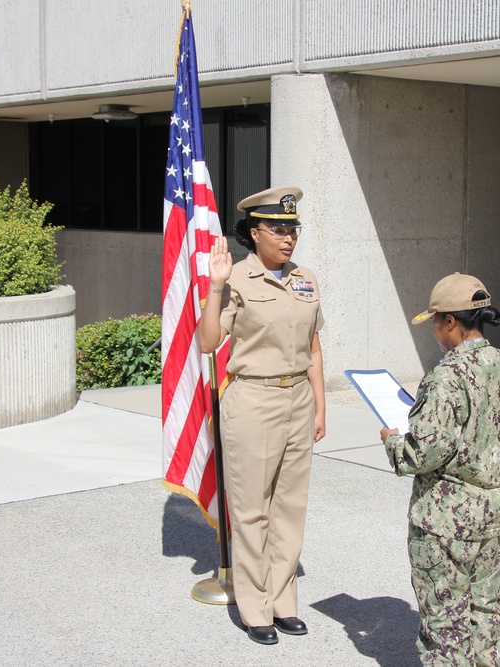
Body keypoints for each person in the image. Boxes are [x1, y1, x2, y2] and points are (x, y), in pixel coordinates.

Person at [380, 272, 500, 666]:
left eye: (436, 322)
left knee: (445, 625)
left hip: (446, 522)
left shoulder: (447, 376)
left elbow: (422, 453)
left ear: (451, 322)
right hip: (494, 514)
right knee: (486, 615)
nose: (434, 331)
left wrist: (392, 440)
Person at [198, 185, 326, 646]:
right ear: (254, 233)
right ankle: (254, 608)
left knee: (290, 507)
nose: (289, 238)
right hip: (252, 402)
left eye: (293, 229)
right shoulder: (236, 280)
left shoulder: (306, 278)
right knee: (252, 509)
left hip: (297, 400)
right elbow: (208, 343)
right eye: (278, 229)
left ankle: (283, 601)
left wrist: (320, 405)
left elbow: (313, 345)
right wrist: (215, 289)